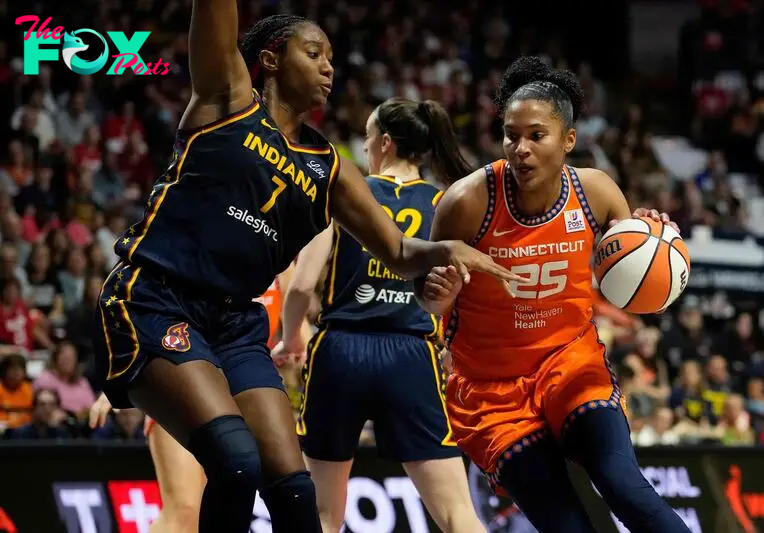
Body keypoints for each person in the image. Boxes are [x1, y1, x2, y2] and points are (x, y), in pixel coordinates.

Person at [91, 5, 518, 533]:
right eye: (313, 54)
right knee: (237, 462)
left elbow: (400, 252)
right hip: (155, 298)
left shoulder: (329, 164)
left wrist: (449, 248)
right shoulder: (226, 97)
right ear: (269, 60)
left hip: (234, 327)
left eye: (331, 59)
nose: (328, 68)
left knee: (296, 492)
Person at [415, 56, 692, 533]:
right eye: (510, 135)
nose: (519, 148)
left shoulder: (597, 192)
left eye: (536, 136)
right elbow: (427, 300)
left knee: (622, 483)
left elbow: (626, 278)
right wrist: (435, 297)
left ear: (569, 140)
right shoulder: (465, 203)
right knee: (567, 526)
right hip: (490, 391)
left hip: (570, 363)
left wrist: (651, 237)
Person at [275, 97, 483, 533]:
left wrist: (291, 335)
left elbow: (299, 285)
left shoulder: (346, 191)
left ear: (384, 143)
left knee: (323, 517)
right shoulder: (446, 203)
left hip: (340, 350)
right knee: (455, 513)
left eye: (368, 139)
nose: (366, 148)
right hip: (411, 353)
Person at [88, 263, 313, 533]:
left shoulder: (280, 264)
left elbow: (301, 337)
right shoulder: (201, 248)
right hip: (184, 378)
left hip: (242, 388)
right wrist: (116, 382)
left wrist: (304, 360)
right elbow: (145, 297)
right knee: (184, 510)